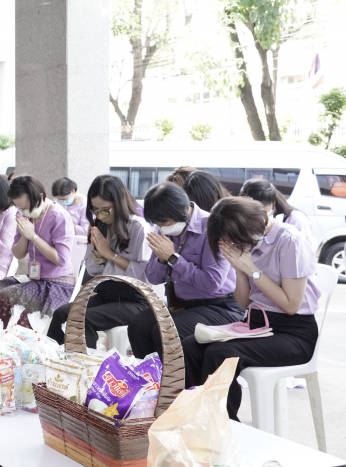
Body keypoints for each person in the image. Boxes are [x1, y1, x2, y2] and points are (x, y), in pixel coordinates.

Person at [182, 197, 321, 421]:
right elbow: (245, 302)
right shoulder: (247, 242)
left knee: (220, 354)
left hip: (294, 333)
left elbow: (291, 305)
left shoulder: (290, 241)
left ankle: (225, 426)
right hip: (256, 324)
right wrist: (238, 268)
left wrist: (252, 269)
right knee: (190, 346)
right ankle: (198, 420)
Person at [127, 182, 243, 359]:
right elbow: (153, 277)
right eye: (157, 224)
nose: (162, 227)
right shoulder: (164, 229)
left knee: (165, 333)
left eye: (164, 222)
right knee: (138, 325)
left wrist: (173, 258)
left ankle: (177, 383)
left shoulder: (212, 227)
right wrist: (161, 258)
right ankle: (150, 381)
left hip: (220, 306)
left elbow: (212, 283)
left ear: (183, 210)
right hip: (183, 304)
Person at [46, 175, 152, 347]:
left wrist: (111, 255)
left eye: (106, 210)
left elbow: (146, 276)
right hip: (106, 293)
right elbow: (92, 269)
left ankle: (85, 368)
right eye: (95, 210)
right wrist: (98, 256)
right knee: (61, 314)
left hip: (134, 299)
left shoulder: (138, 227)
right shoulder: (98, 226)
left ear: (119, 204)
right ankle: (52, 362)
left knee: (81, 320)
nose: (100, 215)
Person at [0, 175, 75, 328]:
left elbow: (61, 259)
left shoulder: (58, 216)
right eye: (20, 208)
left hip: (57, 284)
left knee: (5, 298)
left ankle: (15, 342)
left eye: (26, 207)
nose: (23, 211)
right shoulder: (24, 215)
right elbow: (18, 254)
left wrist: (34, 237)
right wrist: (25, 236)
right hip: (34, 279)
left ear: (40, 196)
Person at [240, 178, 316, 251]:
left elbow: (304, 252)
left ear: (273, 202)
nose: (256, 215)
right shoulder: (244, 217)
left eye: (261, 210)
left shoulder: (296, 219)